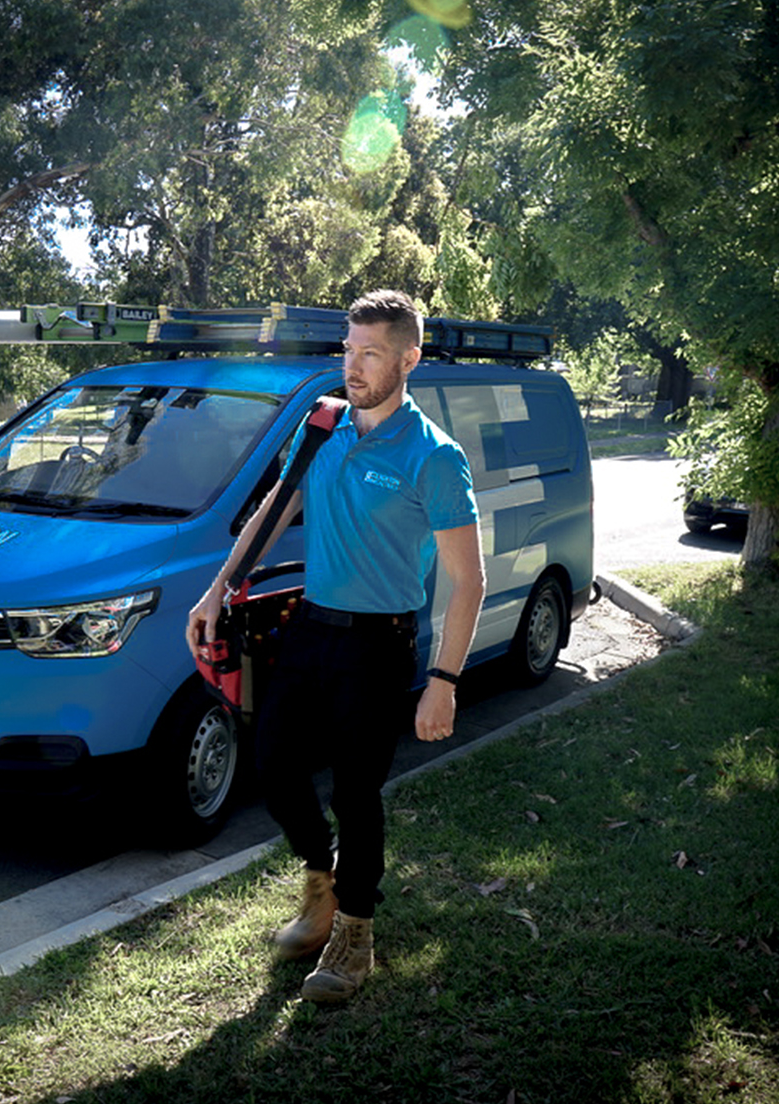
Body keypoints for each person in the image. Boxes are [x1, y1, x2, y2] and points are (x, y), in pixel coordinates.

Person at [185, 289, 485, 1003]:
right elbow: (274, 508)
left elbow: (469, 580)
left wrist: (444, 679)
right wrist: (218, 588)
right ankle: (321, 881)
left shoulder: (434, 458)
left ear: (408, 359)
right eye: (348, 350)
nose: (352, 366)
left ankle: (355, 932)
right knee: (275, 766)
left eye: (370, 353)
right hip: (311, 626)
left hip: (380, 644)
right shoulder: (321, 425)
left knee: (357, 792)